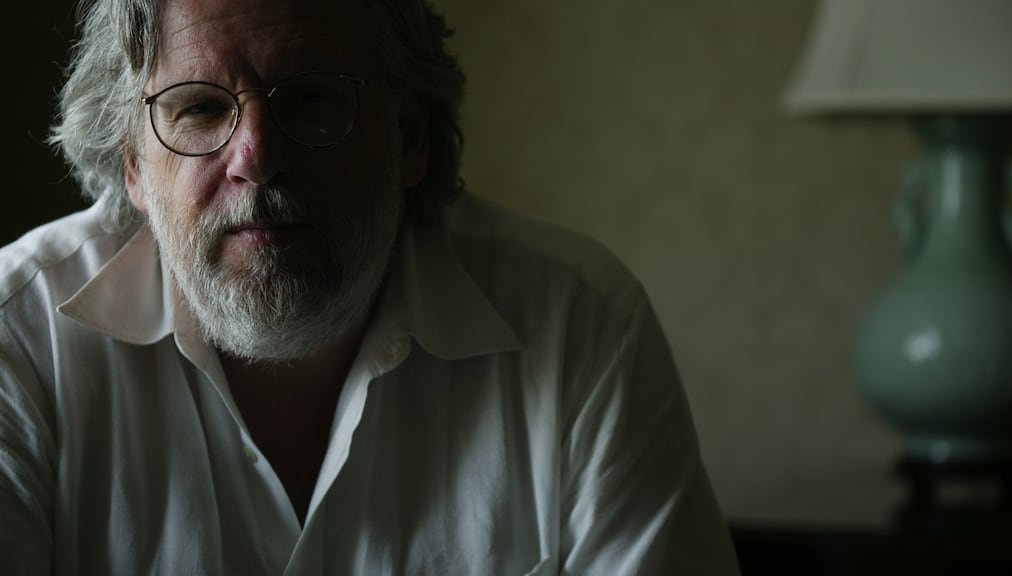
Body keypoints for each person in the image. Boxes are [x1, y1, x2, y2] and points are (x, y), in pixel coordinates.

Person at [0, 0, 740, 573]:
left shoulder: (581, 325)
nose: (256, 156)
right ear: (132, 163)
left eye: (313, 98)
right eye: (200, 108)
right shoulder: (21, 339)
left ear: (409, 134)